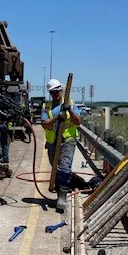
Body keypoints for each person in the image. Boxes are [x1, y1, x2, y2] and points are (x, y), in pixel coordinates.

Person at [41, 78, 82, 213]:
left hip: (67, 140)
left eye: (57, 92)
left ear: (61, 90)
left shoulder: (70, 103)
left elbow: (78, 121)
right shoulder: (46, 106)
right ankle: (61, 189)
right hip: (53, 142)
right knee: (56, 169)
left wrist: (70, 110)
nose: (55, 95)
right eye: (52, 92)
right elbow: (45, 124)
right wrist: (56, 118)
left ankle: (62, 197)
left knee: (64, 167)